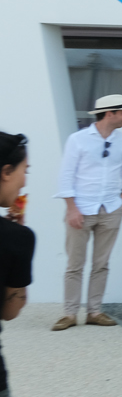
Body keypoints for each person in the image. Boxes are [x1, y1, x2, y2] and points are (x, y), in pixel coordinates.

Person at [52, 93, 122, 331]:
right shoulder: (77, 140)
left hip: (111, 208)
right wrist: (71, 209)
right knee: (75, 263)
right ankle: (69, 313)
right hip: (81, 209)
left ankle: (94, 311)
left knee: (102, 263)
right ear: (110, 114)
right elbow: (66, 176)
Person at [0, 131, 33, 397]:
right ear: (6, 171)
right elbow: (10, 311)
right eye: (25, 170)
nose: (24, 182)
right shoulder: (16, 238)